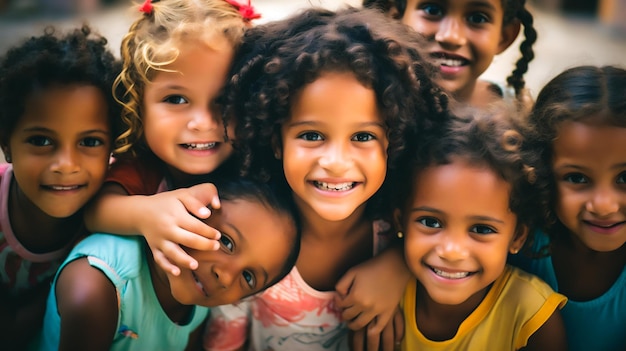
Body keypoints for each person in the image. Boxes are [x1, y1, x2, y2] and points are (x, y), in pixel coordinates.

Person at [202, 7, 450, 351]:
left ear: (394, 144)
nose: (335, 162)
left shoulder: (401, 233)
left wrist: (401, 265)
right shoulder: (249, 235)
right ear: (277, 141)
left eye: (363, 137)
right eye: (312, 135)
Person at [83, 0, 261, 277]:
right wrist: (145, 214)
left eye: (224, 99)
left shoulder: (255, 165)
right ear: (138, 102)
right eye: (176, 99)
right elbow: (95, 210)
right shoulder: (144, 166)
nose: (202, 123)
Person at [39, 177, 302, 350]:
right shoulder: (99, 285)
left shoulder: (197, 304)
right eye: (227, 242)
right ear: (193, 209)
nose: (226, 276)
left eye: (248, 277)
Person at [395, 104, 567, 350]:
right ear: (400, 220)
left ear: (517, 236)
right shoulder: (384, 299)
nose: (452, 251)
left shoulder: (530, 316)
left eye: (482, 229)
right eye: (431, 222)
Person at [0, 25, 120, 349]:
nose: (66, 164)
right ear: (6, 144)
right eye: (41, 141)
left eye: (90, 141)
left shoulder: (114, 205)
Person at [510, 65, 626, 351]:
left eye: (625, 178)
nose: (604, 205)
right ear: (542, 172)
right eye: (576, 178)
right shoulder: (518, 240)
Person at [363, 0, 536, 109]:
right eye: (432, 9)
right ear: (394, 18)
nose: (451, 37)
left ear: (503, 38)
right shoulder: (369, 105)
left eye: (478, 18)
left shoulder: (518, 112)